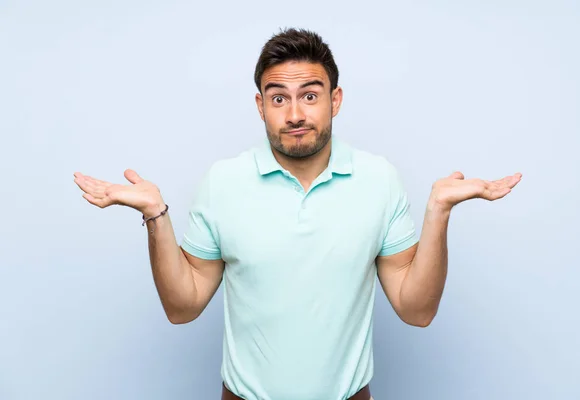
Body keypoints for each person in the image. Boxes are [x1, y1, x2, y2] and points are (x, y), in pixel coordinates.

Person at [73, 28, 522, 400]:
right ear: (260, 106)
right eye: (279, 98)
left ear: (336, 100)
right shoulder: (223, 182)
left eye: (310, 95)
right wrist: (156, 215)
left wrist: (438, 213)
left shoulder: (378, 179)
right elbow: (182, 307)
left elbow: (416, 310)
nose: (294, 114)